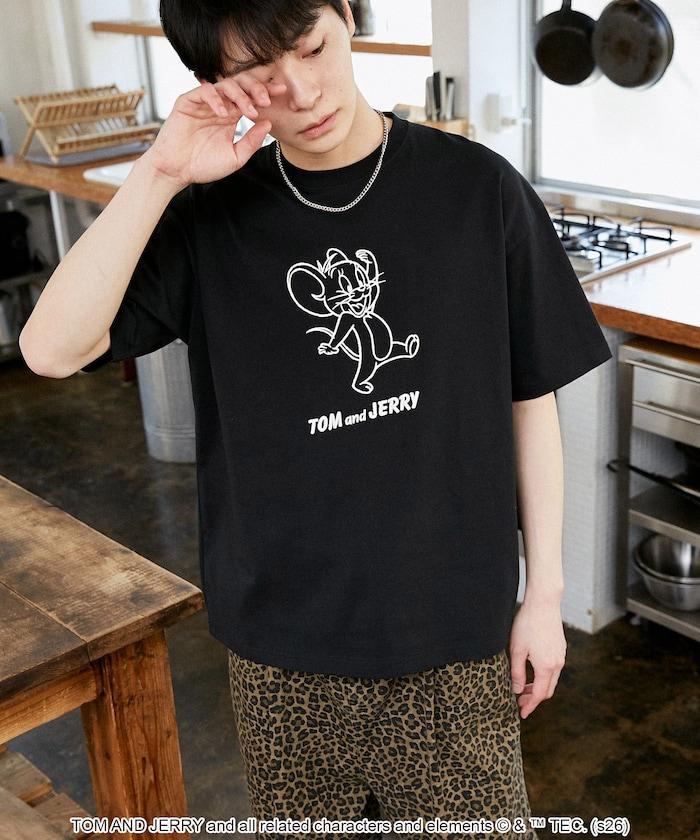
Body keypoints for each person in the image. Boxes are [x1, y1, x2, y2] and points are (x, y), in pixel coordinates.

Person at [19, 1, 612, 837]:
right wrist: (159, 172)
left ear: (346, 15)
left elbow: (531, 399)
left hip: (452, 639)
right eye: (257, 76)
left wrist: (543, 595)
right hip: (282, 652)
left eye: (311, 48)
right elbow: (49, 349)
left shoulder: (479, 191)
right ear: (216, 86)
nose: (300, 93)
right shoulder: (209, 217)